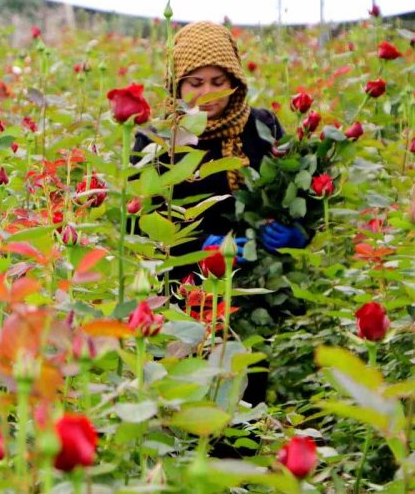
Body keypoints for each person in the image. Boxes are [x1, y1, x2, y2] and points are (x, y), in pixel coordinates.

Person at [132, 21, 312, 411]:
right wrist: (203, 248)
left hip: (252, 295)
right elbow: (137, 223)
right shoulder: (157, 139)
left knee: (245, 393)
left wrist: (297, 232)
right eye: (195, 82)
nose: (208, 93)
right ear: (176, 84)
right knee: (188, 393)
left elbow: (294, 195)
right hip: (184, 290)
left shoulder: (262, 127)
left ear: (235, 79)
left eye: (218, 80)